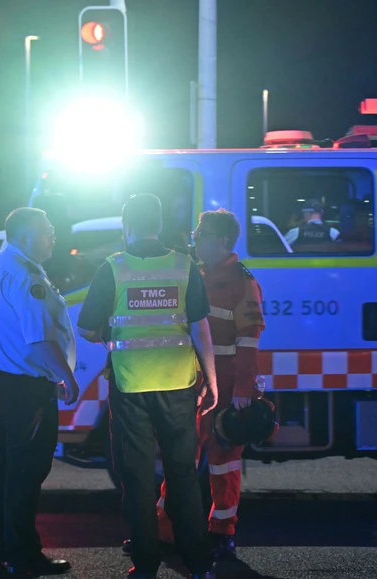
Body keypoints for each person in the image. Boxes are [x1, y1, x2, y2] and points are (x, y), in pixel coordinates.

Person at [76, 194, 219, 579]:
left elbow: (87, 327)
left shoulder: (112, 269)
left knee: (137, 479)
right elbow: (200, 327)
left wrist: (111, 335)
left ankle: (146, 564)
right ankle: (199, 564)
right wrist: (213, 379)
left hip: (131, 385)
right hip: (178, 383)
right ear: (158, 224)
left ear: (127, 225)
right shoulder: (183, 266)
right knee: (183, 477)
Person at [155, 209, 266, 559]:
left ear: (220, 241)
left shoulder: (242, 282)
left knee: (223, 462)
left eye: (200, 235)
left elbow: (248, 340)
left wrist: (244, 393)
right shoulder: (198, 273)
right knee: (179, 459)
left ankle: (221, 531)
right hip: (192, 383)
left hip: (226, 388)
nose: (194, 240)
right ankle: (164, 532)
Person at [0, 207, 79, 578]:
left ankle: (0, 550)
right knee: (26, 469)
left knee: (6, 466)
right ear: (23, 236)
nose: (52, 236)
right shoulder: (26, 274)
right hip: (25, 386)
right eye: (46, 231)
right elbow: (38, 339)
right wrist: (66, 375)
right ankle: (23, 555)